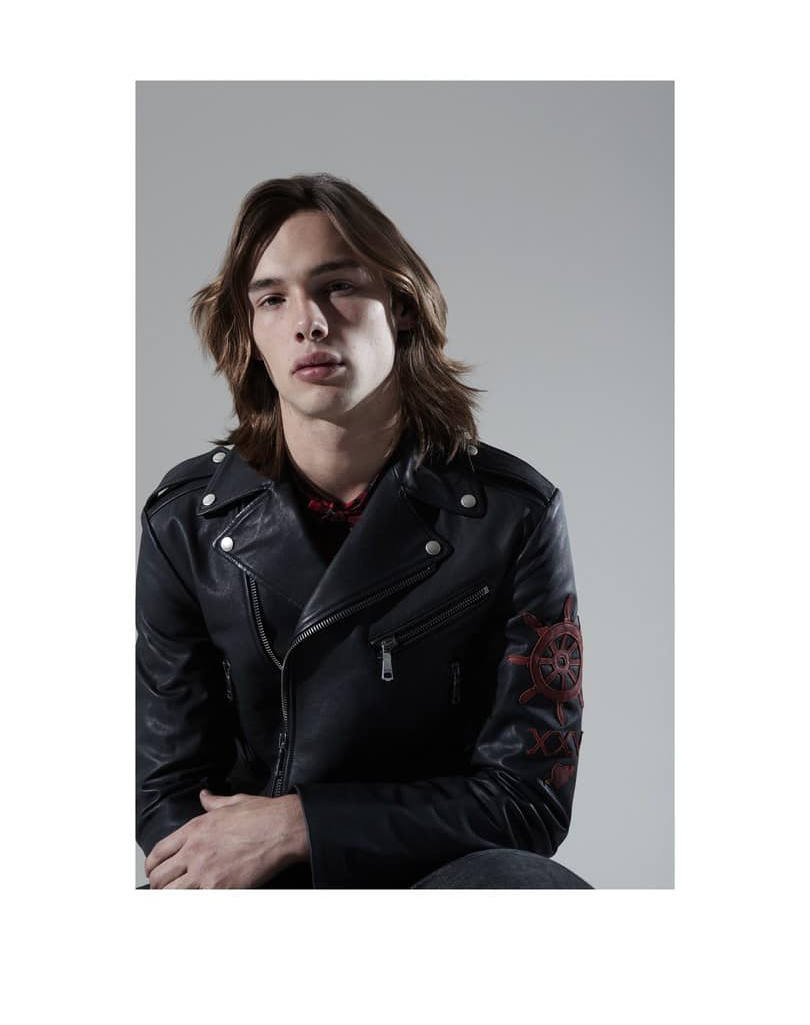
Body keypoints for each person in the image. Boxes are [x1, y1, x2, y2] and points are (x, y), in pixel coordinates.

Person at [136, 172, 591, 890]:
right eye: (273, 299)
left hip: (440, 878)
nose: (309, 323)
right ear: (249, 332)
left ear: (401, 306)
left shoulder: (512, 516)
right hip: (254, 888)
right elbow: (167, 793)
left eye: (339, 286)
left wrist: (302, 825)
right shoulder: (187, 521)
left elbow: (529, 801)